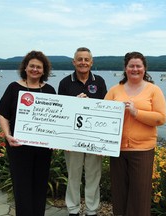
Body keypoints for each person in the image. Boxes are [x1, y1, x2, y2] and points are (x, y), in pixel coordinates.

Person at [104, 51, 166, 216]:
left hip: (143, 150)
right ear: (125, 68)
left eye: (138, 66)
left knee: (139, 196)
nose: (135, 69)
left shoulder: (154, 90)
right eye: (131, 66)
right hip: (117, 150)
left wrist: (136, 112)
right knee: (119, 195)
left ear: (144, 68)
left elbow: (161, 118)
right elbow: (102, 114)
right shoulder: (114, 90)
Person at [0, 50, 56, 216]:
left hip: (43, 149)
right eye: (32, 66)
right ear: (25, 68)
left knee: (40, 185)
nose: (35, 69)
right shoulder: (14, 88)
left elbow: (57, 118)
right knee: (21, 186)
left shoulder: (50, 90)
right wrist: (7, 135)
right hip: (18, 146)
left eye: (39, 67)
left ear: (44, 71)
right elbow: (3, 114)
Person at [58, 47, 107, 216]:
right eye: (80, 59)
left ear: (91, 62)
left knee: (94, 175)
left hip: (93, 138)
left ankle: (92, 211)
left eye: (86, 60)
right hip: (72, 139)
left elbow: (105, 110)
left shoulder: (99, 82)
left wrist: (103, 143)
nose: (83, 62)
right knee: (73, 175)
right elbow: (60, 112)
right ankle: (73, 209)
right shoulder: (65, 83)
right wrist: (74, 103)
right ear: (74, 62)